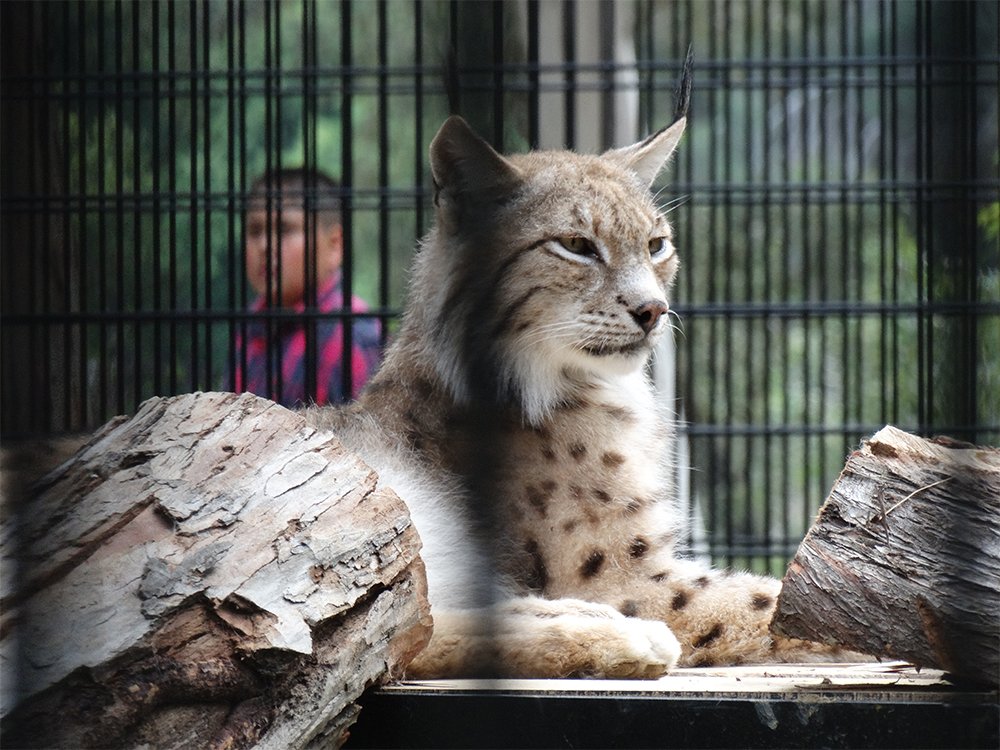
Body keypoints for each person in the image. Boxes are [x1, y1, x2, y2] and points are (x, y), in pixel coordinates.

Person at [233, 167, 380, 407]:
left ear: (334, 245)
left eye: (284, 229)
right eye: (254, 231)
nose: (264, 245)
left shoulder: (353, 338)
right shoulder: (248, 328)